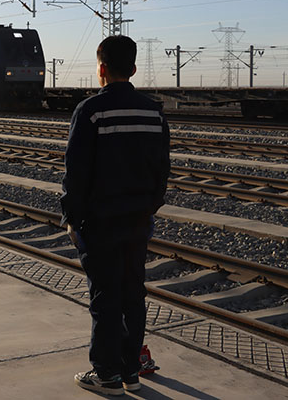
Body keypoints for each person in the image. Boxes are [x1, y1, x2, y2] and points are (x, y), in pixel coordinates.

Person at [61, 35, 170, 396]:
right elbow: (162, 170)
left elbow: (76, 172)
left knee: (105, 297)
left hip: (100, 221)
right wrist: (148, 207)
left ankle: (106, 375)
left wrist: (72, 217)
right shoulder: (153, 112)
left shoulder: (91, 111)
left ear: (102, 69)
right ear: (134, 69)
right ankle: (130, 371)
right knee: (133, 295)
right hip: (137, 220)